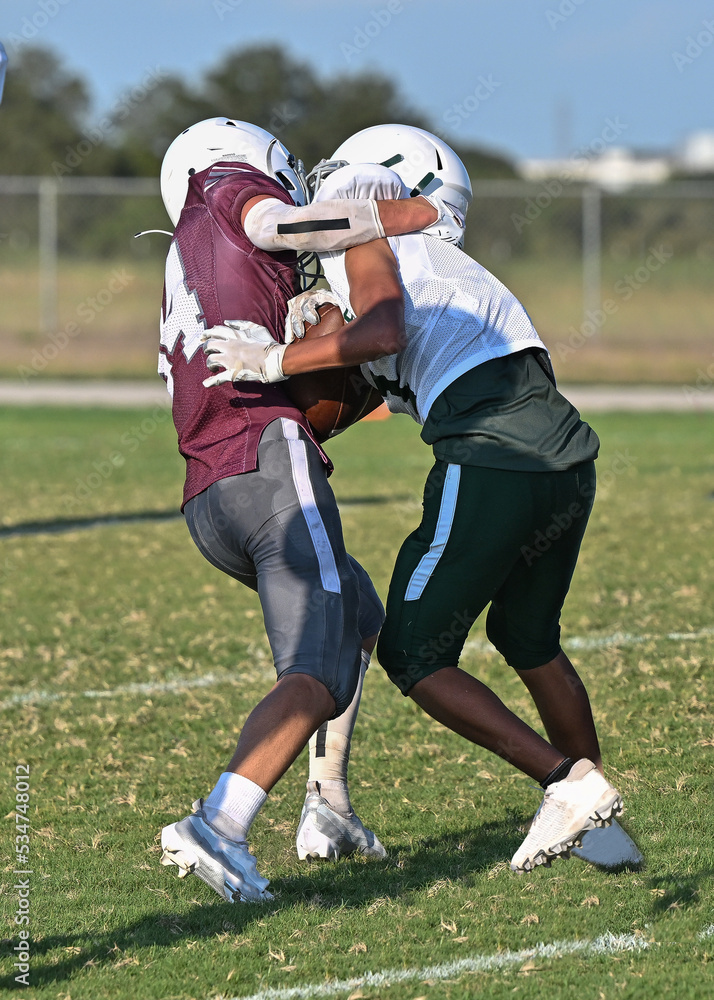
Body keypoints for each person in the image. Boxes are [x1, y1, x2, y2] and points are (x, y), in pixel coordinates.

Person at [200, 125, 627, 874]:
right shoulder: (444, 270)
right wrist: (317, 344)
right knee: (530, 640)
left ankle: (567, 783)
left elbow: (383, 329)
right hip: (565, 457)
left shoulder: (370, 230)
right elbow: (361, 376)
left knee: (411, 650)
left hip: (493, 451)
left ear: (381, 180)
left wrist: (273, 356)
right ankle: (601, 818)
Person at [155, 118, 448, 902]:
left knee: (357, 613)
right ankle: (220, 821)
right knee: (315, 667)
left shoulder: (195, 259)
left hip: (210, 491)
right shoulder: (222, 187)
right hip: (267, 464)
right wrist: (391, 215)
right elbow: (277, 223)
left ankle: (328, 806)